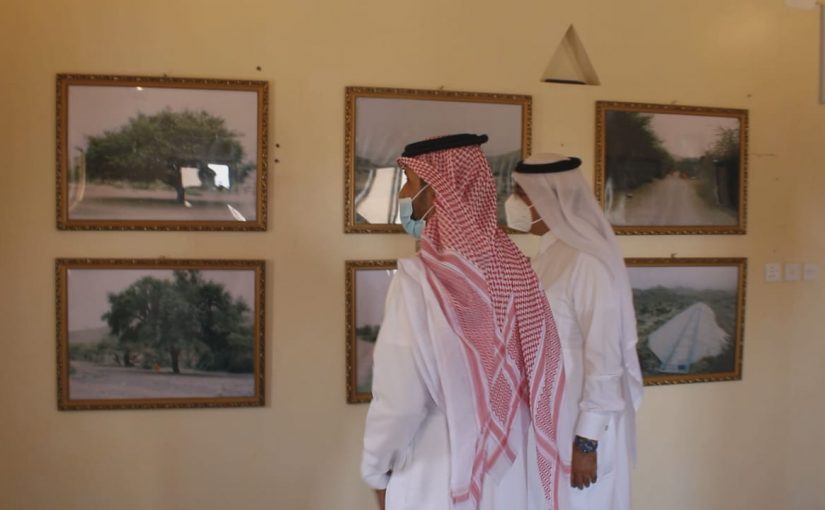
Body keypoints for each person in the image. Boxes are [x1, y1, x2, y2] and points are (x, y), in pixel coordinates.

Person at [361, 134, 566, 510]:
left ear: (436, 192)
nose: (404, 194)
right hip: (512, 464)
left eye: (409, 182)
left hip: (439, 465)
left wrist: (376, 469)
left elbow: (401, 403)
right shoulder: (518, 269)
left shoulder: (419, 280)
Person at [506, 153, 643, 510]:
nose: (513, 203)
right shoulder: (547, 257)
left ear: (547, 198)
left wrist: (587, 440)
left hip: (577, 426)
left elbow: (605, 360)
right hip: (544, 416)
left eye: (521, 193)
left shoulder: (586, 262)